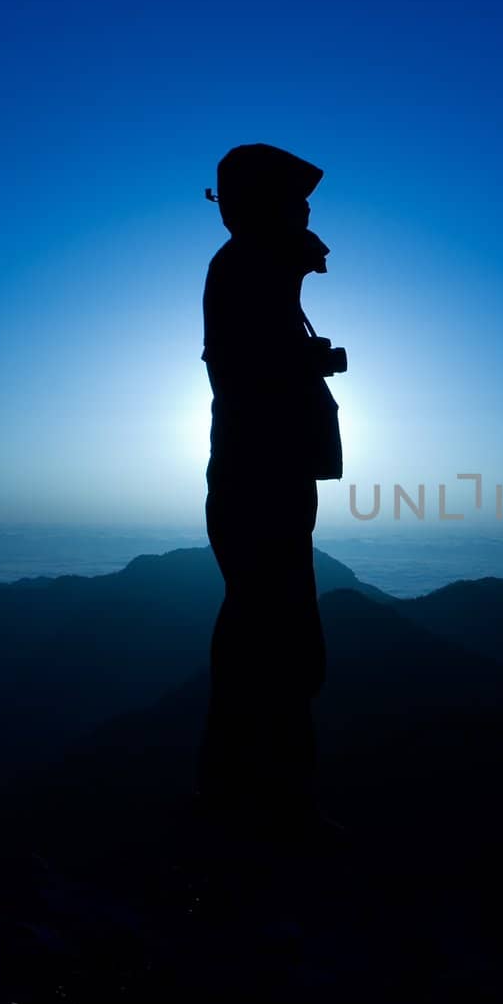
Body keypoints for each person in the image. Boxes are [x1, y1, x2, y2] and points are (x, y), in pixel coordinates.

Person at [196, 143, 343, 840]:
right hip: (263, 485)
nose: (309, 214)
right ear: (265, 208)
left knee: (270, 641)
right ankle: (271, 820)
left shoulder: (249, 269)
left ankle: (257, 810)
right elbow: (257, 369)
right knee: (276, 646)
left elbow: (252, 361)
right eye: (296, 201)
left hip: (261, 481)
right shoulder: (249, 266)